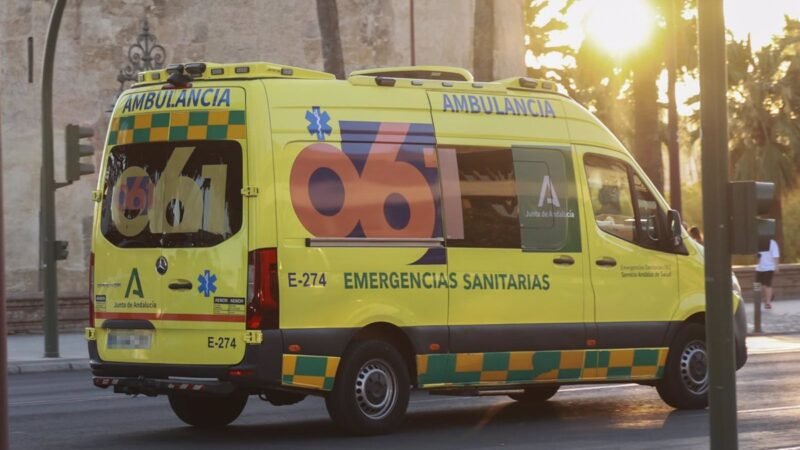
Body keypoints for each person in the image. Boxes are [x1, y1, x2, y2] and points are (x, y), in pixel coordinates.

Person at [756, 239, 780, 309]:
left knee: (767, 284)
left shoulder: (772, 243)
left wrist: (776, 266)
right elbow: (757, 257)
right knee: (757, 285)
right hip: (760, 268)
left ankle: (768, 303)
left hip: (770, 267)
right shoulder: (758, 243)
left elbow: (776, 255)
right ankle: (760, 299)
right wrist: (757, 257)